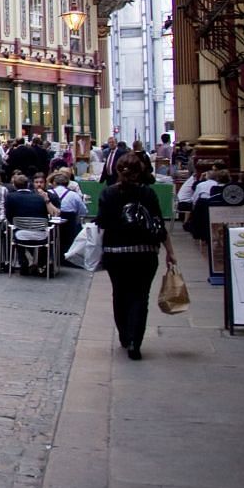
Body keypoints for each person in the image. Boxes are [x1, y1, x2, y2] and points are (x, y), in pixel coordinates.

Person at [98, 154, 175, 359]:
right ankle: (135, 341)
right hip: (144, 252)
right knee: (140, 296)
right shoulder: (148, 194)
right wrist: (170, 251)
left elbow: (102, 223)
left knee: (120, 293)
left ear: (118, 171)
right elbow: (159, 222)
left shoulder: (108, 194)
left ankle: (125, 334)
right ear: (140, 171)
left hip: (116, 253)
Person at [51, 169, 89, 255]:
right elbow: (84, 212)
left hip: (51, 226)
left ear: (54, 183)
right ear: (67, 184)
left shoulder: (48, 193)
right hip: (69, 227)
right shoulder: (74, 195)